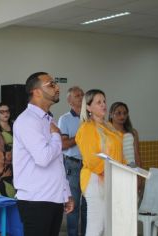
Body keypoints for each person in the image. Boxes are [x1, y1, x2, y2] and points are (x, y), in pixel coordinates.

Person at [13, 72, 74, 236]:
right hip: (36, 200)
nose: (57, 87)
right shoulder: (27, 120)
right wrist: (56, 137)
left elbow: (57, 163)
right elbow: (43, 158)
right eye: (51, 84)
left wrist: (66, 192)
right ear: (36, 91)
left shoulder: (48, 120)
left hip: (52, 197)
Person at [75, 89, 127, 236]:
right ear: (89, 108)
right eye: (99, 102)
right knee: (96, 227)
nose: (103, 105)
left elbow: (119, 152)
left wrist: (124, 169)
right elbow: (92, 159)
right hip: (95, 180)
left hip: (112, 178)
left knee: (109, 227)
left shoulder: (109, 126)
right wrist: (111, 171)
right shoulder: (87, 128)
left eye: (104, 101)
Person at [58, 86, 87, 236]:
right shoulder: (65, 119)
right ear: (69, 101)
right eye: (77, 96)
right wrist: (80, 136)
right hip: (73, 165)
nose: (82, 97)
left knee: (88, 205)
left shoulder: (90, 118)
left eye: (82, 95)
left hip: (89, 165)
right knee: (73, 204)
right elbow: (63, 144)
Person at [109, 102, 141, 167]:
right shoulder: (107, 132)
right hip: (115, 169)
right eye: (118, 113)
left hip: (132, 169)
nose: (122, 116)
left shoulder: (133, 133)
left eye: (125, 113)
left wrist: (139, 176)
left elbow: (137, 155)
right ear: (111, 114)